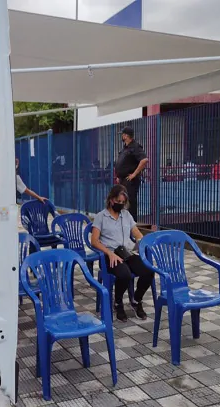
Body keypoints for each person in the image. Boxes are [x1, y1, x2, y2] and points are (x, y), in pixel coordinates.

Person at [90, 185, 154, 322]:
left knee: (149, 271)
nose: (120, 205)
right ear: (111, 200)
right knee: (124, 274)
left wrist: (140, 241)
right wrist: (109, 253)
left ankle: (136, 300)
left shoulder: (126, 215)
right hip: (111, 255)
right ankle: (118, 303)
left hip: (128, 253)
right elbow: (94, 241)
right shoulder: (101, 217)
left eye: (123, 202)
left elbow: (136, 232)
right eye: (118, 202)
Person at [115, 127, 148, 222]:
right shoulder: (125, 148)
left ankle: (132, 223)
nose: (122, 136)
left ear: (126, 135)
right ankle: (124, 221)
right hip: (122, 180)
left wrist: (134, 174)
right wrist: (118, 176)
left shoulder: (135, 147)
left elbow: (144, 160)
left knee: (130, 201)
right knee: (122, 200)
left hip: (130, 181)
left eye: (123, 134)